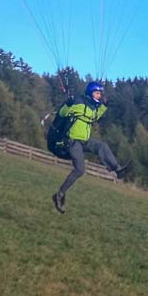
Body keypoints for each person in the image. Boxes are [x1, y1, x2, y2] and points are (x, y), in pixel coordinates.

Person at [51, 81, 129, 214]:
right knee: (80, 170)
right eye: (97, 93)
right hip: (72, 141)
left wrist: (104, 106)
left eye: (100, 94)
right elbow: (62, 114)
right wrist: (68, 104)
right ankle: (59, 195)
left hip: (84, 141)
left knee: (102, 146)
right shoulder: (78, 103)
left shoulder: (92, 107)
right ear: (90, 93)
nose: (99, 96)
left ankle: (117, 170)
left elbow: (95, 116)